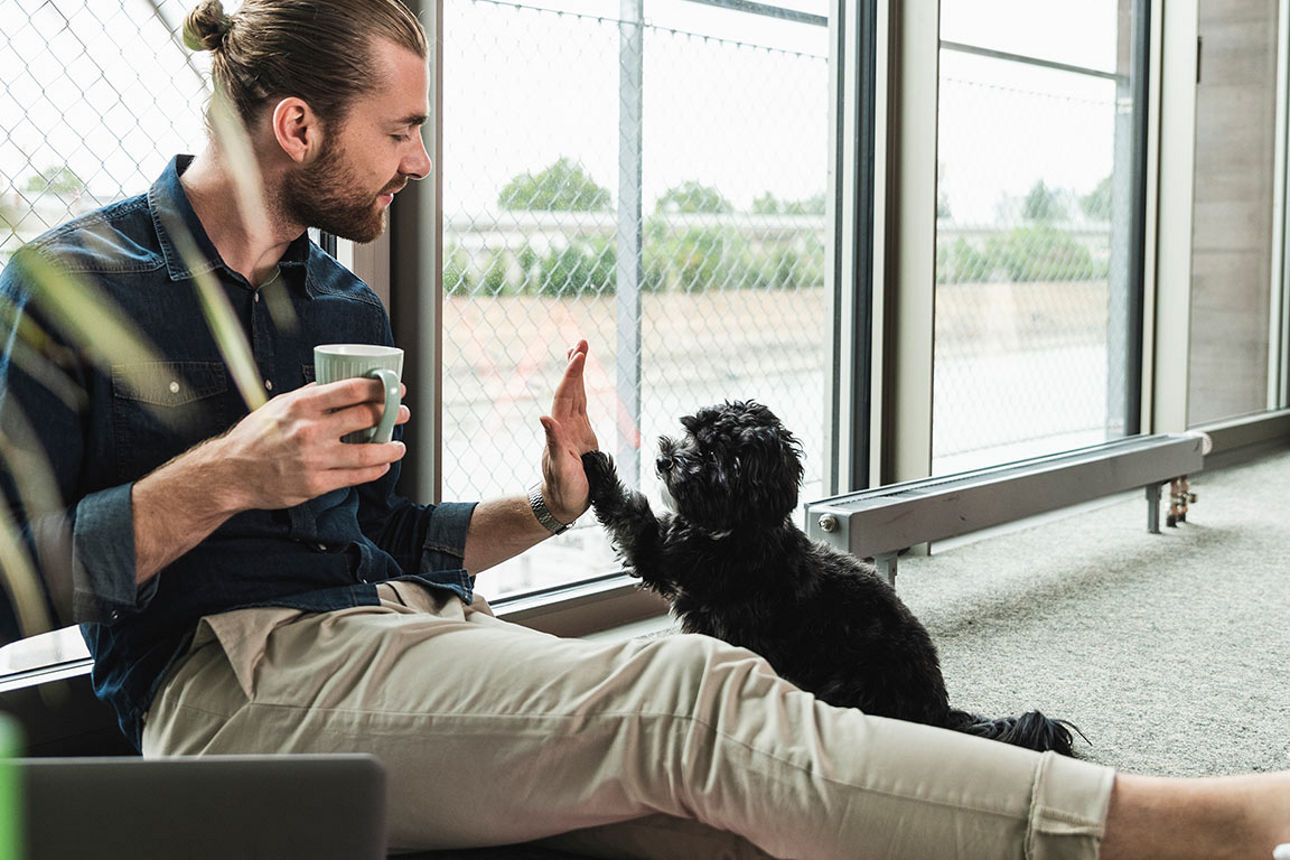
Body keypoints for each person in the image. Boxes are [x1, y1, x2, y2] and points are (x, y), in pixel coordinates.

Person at [0, 1, 1286, 857]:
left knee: (720, 807)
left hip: (394, 628)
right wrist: (221, 478)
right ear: (297, 126)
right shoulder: (71, 284)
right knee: (693, 690)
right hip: (231, 684)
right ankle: (1180, 824)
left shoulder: (338, 294)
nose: (421, 162)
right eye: (401, 130)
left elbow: (375, 529)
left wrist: (549, 509)